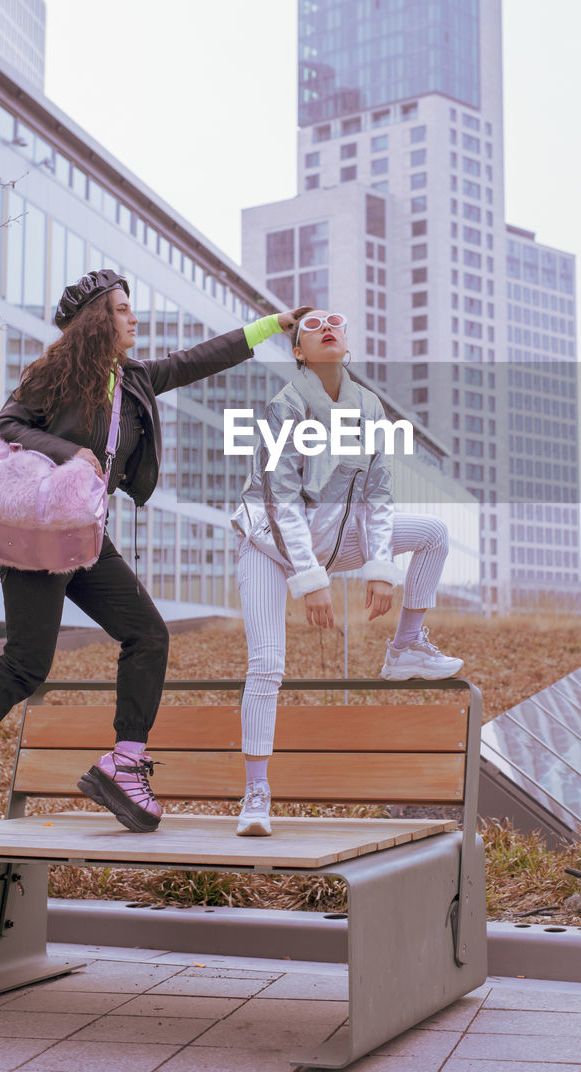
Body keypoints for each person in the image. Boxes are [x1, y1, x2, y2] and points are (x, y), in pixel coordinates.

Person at [0, 270, 308, 836]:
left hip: (82, 536)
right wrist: (71, 453)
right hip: (37, 534)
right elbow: (4, 425)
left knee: (148, 633)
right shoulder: (57, 374)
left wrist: (273, 327)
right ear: (98, 319)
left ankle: (124, 764)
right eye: (124, 309)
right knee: (26, 662)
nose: (134, 318)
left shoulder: (133, 381)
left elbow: (201, 358)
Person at [230, 310, 463, 837]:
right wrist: (311, 581)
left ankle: (405, 648)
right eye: (313, 326)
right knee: (267, 662)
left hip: (336, 536)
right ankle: (256, 794)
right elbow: (278, 499)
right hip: (268, 543)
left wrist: (381, 568)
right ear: (298, 352)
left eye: (336, 322)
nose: (327, 328)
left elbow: (379, 493)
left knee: (431, 533)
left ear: (348, 341)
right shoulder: (285, 406)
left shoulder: (369, 406)